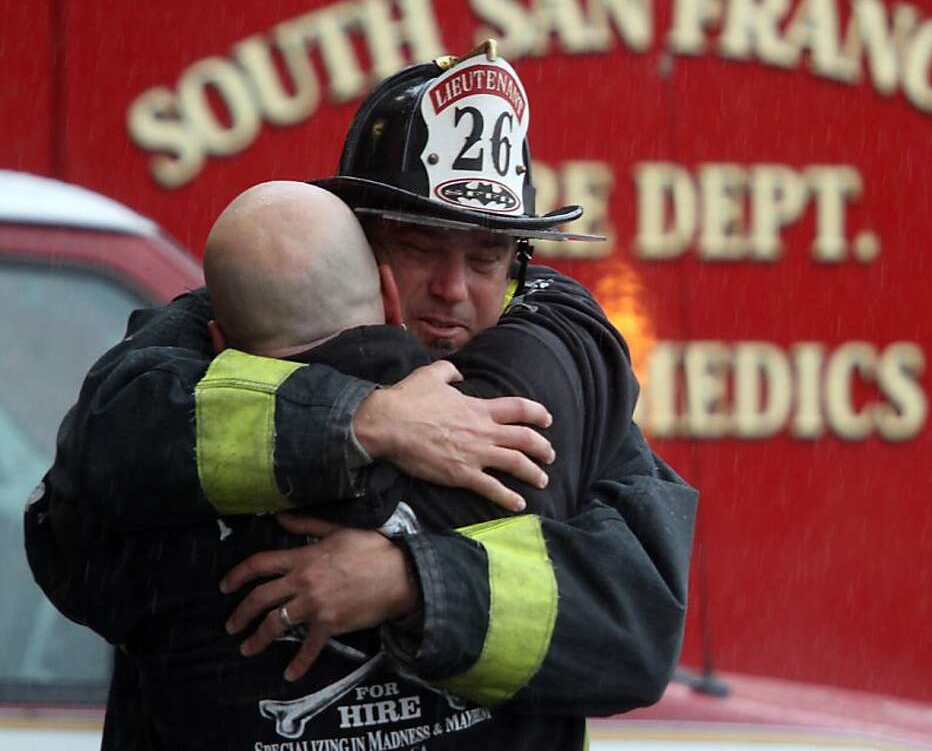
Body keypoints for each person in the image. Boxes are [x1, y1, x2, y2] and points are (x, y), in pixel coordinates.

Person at [26, 46, 697, 748]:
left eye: (485, 256)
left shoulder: (560, 398)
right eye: (420, 245)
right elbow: (80, 521)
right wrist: (359, 421)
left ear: (518, 266)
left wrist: (414, 580)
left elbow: (636, 629)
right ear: (354, 236)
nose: (452, 287)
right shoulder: (215, 337)